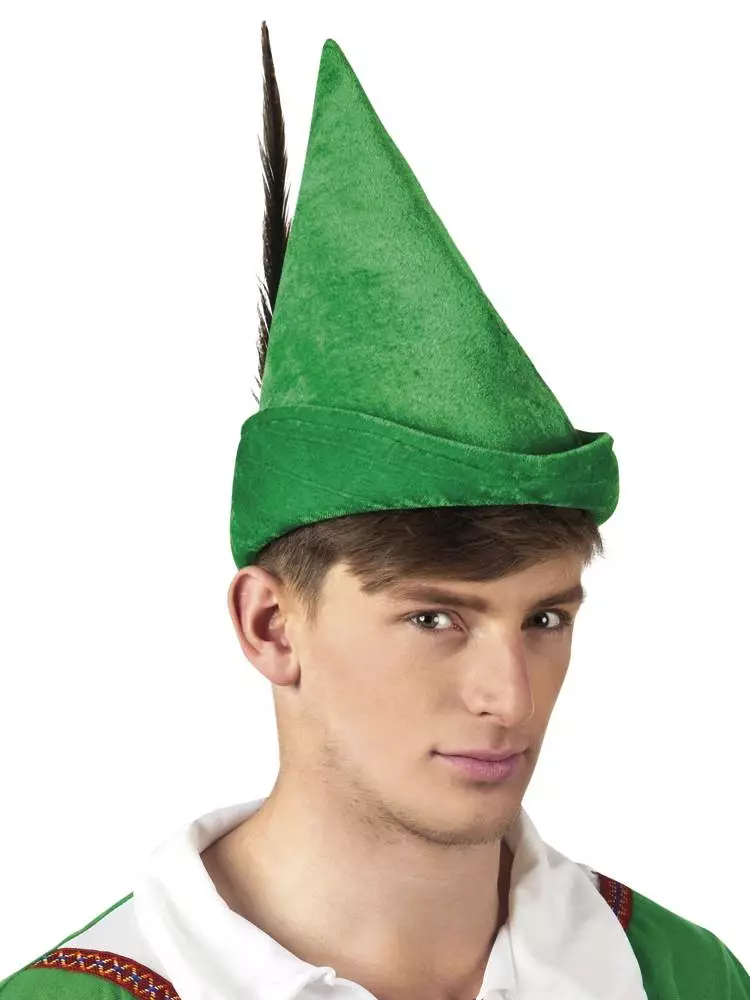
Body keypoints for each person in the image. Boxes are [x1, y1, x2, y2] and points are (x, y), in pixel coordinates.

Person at [1, 22, 747, 1000]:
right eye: (435, 617)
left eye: (544, 618)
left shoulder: (680, 976)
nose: (509, 698)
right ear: (272, 625)